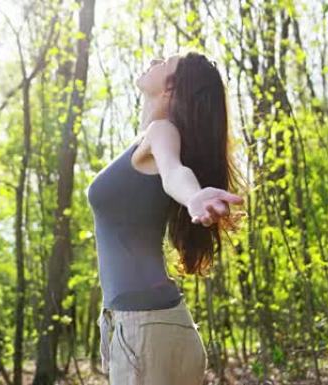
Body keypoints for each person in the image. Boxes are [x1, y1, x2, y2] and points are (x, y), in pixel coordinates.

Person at [86, 50, 245, 385]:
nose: (153, 61)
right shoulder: (149, 141)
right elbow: (170, 169)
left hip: (146, 329)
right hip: (152, 327)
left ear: (171, 88)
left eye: (164, 63)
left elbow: (175, 172)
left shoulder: (162, 132)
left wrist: (193, 196)